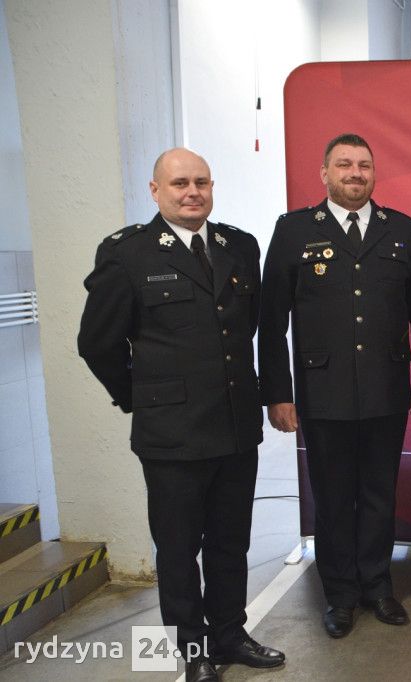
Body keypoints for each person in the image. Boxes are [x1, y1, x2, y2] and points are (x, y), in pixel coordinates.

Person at [78, 148, 285, 682]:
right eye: (179, 184)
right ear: (155, 191)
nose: (192, 192)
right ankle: (193, 650)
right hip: (171, 434)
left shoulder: (238, 245)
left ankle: (230, 634)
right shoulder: (127, 254)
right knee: (178, 549)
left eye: (201, 182)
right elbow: (97, 343)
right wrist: (142, 396)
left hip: (235, 426)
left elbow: (248, 329)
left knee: (230, 542)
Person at [259, 133, 411, 639]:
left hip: (386, 387)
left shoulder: (400, 229)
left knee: (380, 493)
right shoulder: (294, 230)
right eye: (344, 164)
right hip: (323, 391)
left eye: (363, 164)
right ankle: (339, 594)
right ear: (325, 173)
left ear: (374, 173)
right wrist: (277, 393)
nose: (355, 173)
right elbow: (271, 321)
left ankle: (378, 586)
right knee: (334, 497)